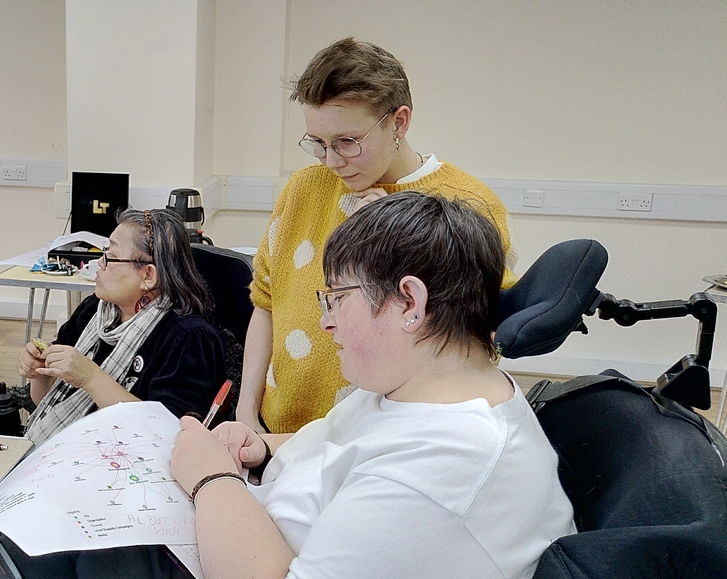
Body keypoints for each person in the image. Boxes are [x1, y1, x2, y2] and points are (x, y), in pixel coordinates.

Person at [172, 191, 575, 579]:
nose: (326, 321)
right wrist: (260, 448)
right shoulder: (418, 384)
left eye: (338, 298)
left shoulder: (441, 467)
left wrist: (212, 480)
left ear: (410, 303)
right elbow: (343, 445)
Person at [236, 36, 518, 434]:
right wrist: (247, 411)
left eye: (348, 143)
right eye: (318, 143)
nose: (332, 161)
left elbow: (474, 344)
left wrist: (389, 240)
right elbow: (265, 303)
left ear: (398, 122)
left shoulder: (466, 204)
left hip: (385, 445)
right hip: (275, 431)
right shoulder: (304, 189)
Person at [20, 208, 226, 446]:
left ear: (148, 275)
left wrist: (90, 377)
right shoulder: (95, 311)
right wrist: (38, 373)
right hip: (67, 450)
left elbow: (166, 433)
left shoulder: (189, 339)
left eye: (111, 256)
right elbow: (46, 403)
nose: (99, 262)